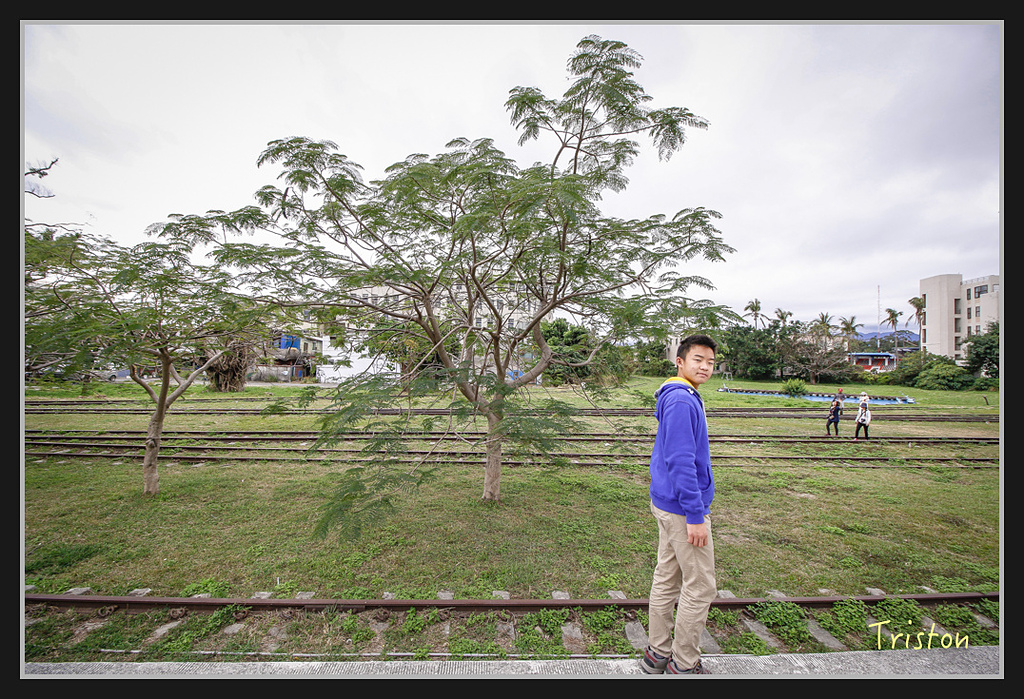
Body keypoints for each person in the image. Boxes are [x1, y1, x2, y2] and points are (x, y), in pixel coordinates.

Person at [640, 334, 717, 675]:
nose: (705, 367)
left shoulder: (678, 395)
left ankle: (657, 653)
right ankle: (684, 664)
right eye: (698, 359)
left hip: (668, 503)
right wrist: (695, 516)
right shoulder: (682, 400)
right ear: (680, 362)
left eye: (710, 362)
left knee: (667, 577)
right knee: (700, 586)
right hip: (683, 510)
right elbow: (681, 460)